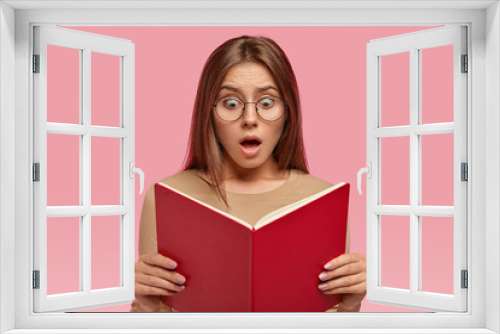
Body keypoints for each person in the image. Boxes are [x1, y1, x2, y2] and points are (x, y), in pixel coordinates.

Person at [131, 36, 366, 313]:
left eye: (267, 102)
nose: (250, 119)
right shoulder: (165, 199)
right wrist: (146, 304)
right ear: (209, 113)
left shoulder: (325, 200)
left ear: (288, 112)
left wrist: (350, 307)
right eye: (231, 103)